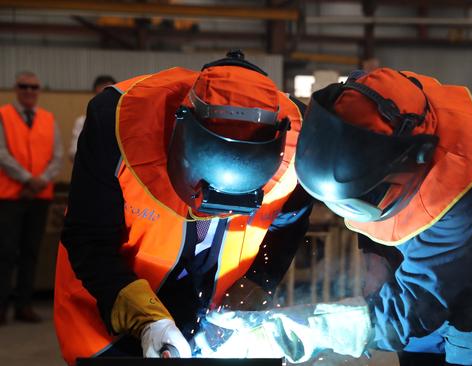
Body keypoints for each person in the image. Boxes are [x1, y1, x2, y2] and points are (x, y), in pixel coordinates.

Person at [201, 68, 472, 366]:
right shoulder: (368, 103)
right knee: (414, 347)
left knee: (461, 343)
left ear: (410, 163)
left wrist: (294, 332)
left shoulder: (462, 196)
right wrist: (374, 255)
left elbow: (410, 310)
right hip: (426, 248)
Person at [54, 51, 312, 364]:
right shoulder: (116, 121)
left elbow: (287, 225)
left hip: (218, 322)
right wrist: (151, 321)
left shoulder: (299, 138)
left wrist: (258, 283)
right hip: (110, 304)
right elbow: (88, 239)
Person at [0, 71, 63, 325]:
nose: (29, 91)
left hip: (39, 196)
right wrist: (27, 178)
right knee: (5, 253)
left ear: (38, 90)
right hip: (10, 197)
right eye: (24, 86)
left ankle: (24, 306)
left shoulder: (49, 119)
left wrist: (40, 181)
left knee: (30, 252)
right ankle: (1, 306)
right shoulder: (3, 115)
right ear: (16, 88)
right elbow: (1, 153)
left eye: (34, 87)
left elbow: (57, 157)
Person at [69, 75, 116, 161]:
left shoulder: (122, 123)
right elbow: (73, 154)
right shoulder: (82, 122)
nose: (105, 101)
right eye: (100, 96)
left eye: (109, 97)